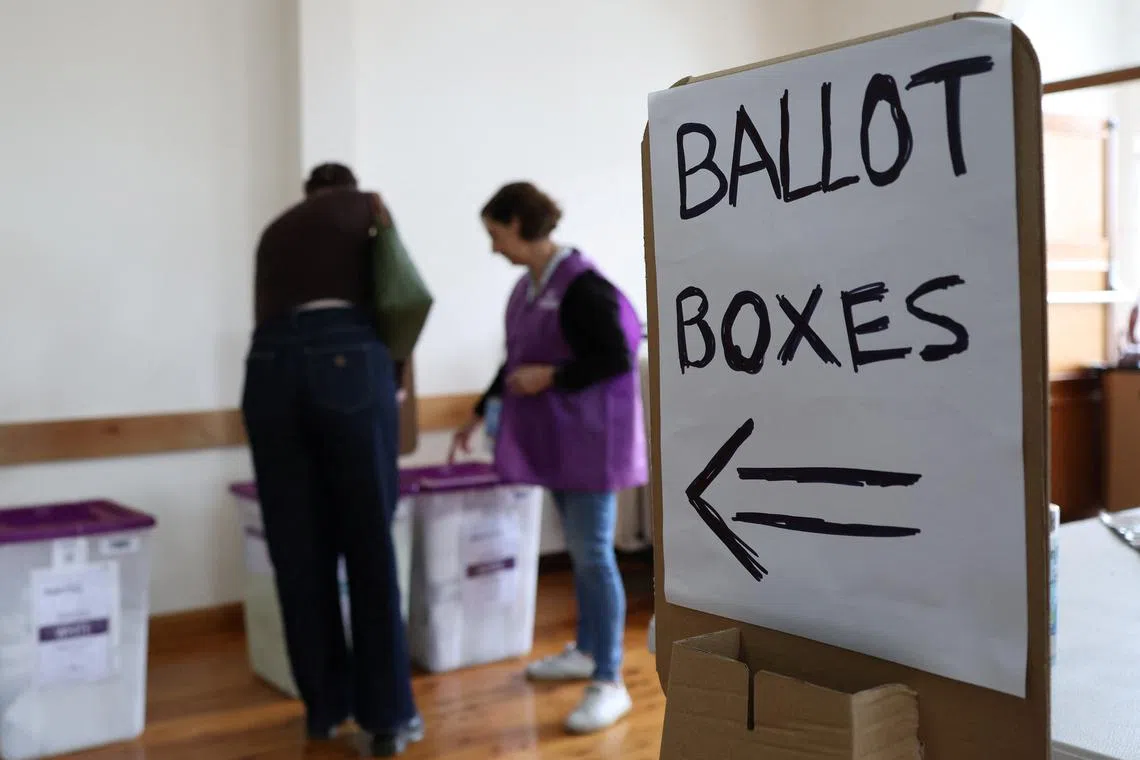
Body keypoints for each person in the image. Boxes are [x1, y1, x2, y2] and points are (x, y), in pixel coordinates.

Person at [451, 181, 648, 734]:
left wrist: (554, 376)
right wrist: (478, 409)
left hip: (591, 443)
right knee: (584, 553)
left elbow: (616, 353)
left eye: (494, 233)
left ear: (517, 223)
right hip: (559, 442)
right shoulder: (528, 289)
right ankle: (587, 650)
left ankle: (610, 680)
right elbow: (516, 358)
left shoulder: (583, 287)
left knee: (592, 555)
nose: (493, 247)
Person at [242, 163, 421, 757]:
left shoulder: (274, 231)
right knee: (369, 546)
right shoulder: (367, 205)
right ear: (347, 184)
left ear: (307, 193)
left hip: (267, 367)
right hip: (344, 357)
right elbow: (401, 295)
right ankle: (387, 719)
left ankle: (324, 709)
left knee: (297, 549)